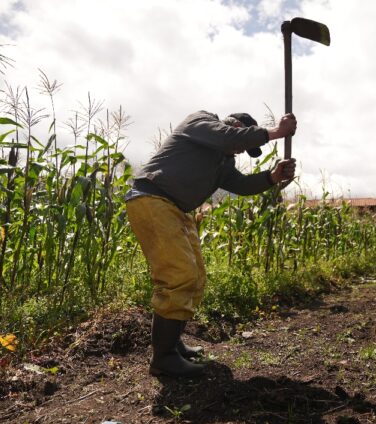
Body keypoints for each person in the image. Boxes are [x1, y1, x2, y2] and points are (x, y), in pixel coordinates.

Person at [125, 110, 298, 378]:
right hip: (152, 199)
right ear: (236, 125)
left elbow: (241, 184)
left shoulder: (223, 162)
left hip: (177, 209)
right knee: (179, 275)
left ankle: (173, 345)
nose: (239, 153)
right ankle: (163, 359)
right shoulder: (202, 122)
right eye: (243, 146)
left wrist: (273, 177)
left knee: (195, 277)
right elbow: (227, 137)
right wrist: (277, 132)